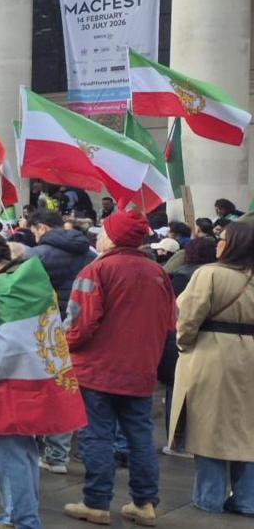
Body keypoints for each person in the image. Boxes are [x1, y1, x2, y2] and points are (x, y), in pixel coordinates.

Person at [0, 231, 86, 529]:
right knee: (26, 450)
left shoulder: (5, 288)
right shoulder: (31, 278)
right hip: (37, 379)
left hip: (9, 384)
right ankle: (18, 513)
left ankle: (23, 519)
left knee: (10, 454)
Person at [63, 209, 176, 527]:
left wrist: (63, 346)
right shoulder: (158, 273)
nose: (99, 236)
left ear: (113, 237)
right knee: (140, 437)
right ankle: (145, 503)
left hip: (96, 370)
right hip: (140, 370)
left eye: (103, 231)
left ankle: (96, 503)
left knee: (97, 436)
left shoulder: (97, 270)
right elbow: (170, 322)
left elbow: (79, 325)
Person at [169, 221, 254, 516]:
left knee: (208, 428)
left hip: (212, 355)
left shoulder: (210, 274)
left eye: (223, 240)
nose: (218, 243)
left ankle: (209, 497)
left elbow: (187, 319)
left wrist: (184, 344)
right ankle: (247, 500)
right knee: (248, 431)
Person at [26, 207, 94, 474]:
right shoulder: (90, 255)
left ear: (41, 228)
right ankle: (58, 456)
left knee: (37, 391)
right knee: (67, 391)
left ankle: (32, 451)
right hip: (80, 329)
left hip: (44, 329)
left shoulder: (38, 255)